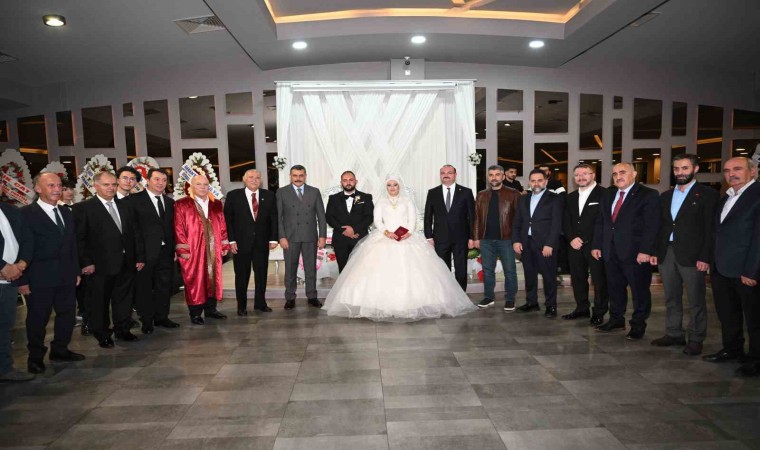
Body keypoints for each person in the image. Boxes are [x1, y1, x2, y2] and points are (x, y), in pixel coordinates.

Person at [324, 174, 477, 321]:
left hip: (407, 238)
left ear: (399, 186)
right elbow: (377, 220)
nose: (392, 188)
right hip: (385, 237)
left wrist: (408, 232)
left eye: (395, 185)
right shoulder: (381, 201)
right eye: (389, 185)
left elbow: (412, 219)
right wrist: (386, 232)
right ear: (386, 187)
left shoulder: (407, 201)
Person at [650, 154, 718, 356]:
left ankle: (696, 338)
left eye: (685, 168)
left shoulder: (707, 194)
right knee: (671, 296)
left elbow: (710, 229)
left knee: (696, 300)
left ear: (695, 169)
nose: (680, 172)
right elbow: (660, 226)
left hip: (693, 255)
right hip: (667, 253)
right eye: (676, 169)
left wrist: (705, 257)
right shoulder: (666, 196)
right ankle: (674, 333)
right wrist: (655, 251)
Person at [19, 173, 84, 374]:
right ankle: (35, 357)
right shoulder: (26, 214)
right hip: (38, 278)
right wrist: (22, 280)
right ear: (38, 189)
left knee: (67, 315)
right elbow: (20, 248)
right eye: (51, 185)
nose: (57, 189)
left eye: (59, 185)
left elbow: (72, 245)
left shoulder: (66, 212)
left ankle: (60, 350)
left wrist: (76, 271)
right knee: (38, 319)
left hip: (66, 275)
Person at [74, 171, 145, 348]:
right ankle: (103, 334)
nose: (111, 188)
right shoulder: (84, 208)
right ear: (96, 186)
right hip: (100, 265)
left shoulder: (125, 205)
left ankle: (123, 329)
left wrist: (139, 256)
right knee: (100, 302)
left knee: (124, 299)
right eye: (106, 185)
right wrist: (86, 262)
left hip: (127, 262)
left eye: (114, 184)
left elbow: (135, 233)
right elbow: (80, 239)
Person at [703, 157, 760, 377]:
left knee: (754, 319)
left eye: (737, 169)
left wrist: (752, 271)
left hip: (746, 270)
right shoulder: (726, 197)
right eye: (727, 170)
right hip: (721, 268)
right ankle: (732, 349)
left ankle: (756, 360)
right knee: (727, 314)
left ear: (752, 171)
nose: (731, 174)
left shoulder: (756, 195)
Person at [592, 163, 660, 340]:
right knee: (614, 288)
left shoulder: (648, 195)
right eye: (615, 174)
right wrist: (597, 245)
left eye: (622, 172)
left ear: (634, 174)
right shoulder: (608, 194)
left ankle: (638, 325)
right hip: (610, 251)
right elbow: (601, 221)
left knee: (639, 291)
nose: (618, 177)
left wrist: (646, 250)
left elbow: (652, 226)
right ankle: (616, 320)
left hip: (636, 253)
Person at [125, 168, 180, 334]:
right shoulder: (134, 200)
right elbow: (132, 230)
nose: (160, 183)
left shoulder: (170, 202)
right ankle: (147, 320)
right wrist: (138, 255)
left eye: (164, 180)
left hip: (166, 252)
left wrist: (175, 248)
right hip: (144, 254)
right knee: (144, 288)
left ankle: (162, 317)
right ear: (147, 180)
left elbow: (172, 228)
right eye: (156, 179)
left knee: (165, 286)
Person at [174, 175, 230, 324]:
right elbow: (179, 227)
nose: (202, 187)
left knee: (212, 278)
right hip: (193, 248)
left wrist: (224, 244)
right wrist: (183, 249)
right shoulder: (182, 204)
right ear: (191, 186)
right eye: (199, 184)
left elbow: (222, 225)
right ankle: (195, 313)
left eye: (205, 184)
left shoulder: (216, 204)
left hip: (213, 248)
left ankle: (211, 310)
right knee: (194, 279)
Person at [224, 169, 278, 315]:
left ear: (261, 180)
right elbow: (228, 220)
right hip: (241, 244)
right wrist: (231, 240)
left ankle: (260, 303)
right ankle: (241, 306)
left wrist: (274, 238)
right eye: (251, 177)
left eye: (257, 177)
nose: (254, 180)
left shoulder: (269, 195)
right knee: (242, 276)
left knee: (261, 274)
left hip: (262, 243)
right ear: (244, 179)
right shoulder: (233, 196)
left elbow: (273, 218)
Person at [512, 169, 563, 317]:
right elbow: (517, 222)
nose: (536, 183)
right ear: (529, 182)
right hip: (526, 243)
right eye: (533, 181)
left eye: (539, 180)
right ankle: (531, 303)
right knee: (529, 275)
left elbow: (557, 224)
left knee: (549, 276)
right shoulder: (523, 199)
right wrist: (516, 240)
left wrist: (550, 244)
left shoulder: (555, 199)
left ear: (545, 181)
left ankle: (551, 306)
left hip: (545, 245)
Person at [562, 163, 608, 325]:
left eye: (584, 174)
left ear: (593, 175)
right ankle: (582, 309)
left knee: (599, 280)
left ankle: (599, 312)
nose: (580, 177)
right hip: (575, 245)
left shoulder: (605, 194)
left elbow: (606, 222)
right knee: (577, 278)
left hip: (596, 246)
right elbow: (566, 221)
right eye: (577, 175)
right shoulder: (570, 197)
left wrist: (597, 243)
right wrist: (571, 238)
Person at [276, 165, 326, 309]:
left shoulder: (314, 191)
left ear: (305, 176)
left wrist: (322, 235)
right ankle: (290, 297)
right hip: (290, 237)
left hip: (310, 235)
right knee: (290, 269)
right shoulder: (282, 192)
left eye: (301, 175)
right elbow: (278, 217)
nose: (298, 178)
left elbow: (321, 216)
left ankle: (312, 296)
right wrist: (281, 236)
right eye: (295, 175)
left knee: (311, 268)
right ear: (290, 176)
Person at [472, 165, 521, 311]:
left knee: (509, 271)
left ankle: (510, 299)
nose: (494, 177)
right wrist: (476, 237)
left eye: (497, 174)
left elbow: (519, 218)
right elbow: (476, 218)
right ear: (488, 177)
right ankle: (489, 297)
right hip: (486, 240)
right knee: (487, 270)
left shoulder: (513, 194)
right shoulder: (481, 195)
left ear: (503, 176)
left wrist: (517, 239)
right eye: (491, 175)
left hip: (507, 239)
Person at [423, 165, 475, 291]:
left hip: (461, 238)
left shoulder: (466, 192)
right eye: (443, 173)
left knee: (461, 269)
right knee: (442, 269)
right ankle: (446, 294)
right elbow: (428, 216)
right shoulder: (433, 192)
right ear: (440, 175)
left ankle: (461, 295)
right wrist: (429, 236)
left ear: (455, 175)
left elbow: (472, 216)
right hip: (440, 238)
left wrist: (472, 237)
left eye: (449, 172)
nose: (446, 175)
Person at [0, 200, 34, 382]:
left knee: (5, 325)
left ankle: (5, 368)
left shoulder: (11, 210)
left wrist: (22, 264)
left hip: (10, 279)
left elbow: (27, 238)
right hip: (6, 272)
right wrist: (3, 266)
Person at [326, 171, 374, 272]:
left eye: (351, 180)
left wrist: (354, 229)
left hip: (359, 239)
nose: (348, 182)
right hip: (340, 240)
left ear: (356, 181)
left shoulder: (366, 197)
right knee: (343, 270)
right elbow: (329, 218)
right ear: (341, 183)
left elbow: (369, 217)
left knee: (360, 271)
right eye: (345, 180)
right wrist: (343, 230)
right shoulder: (333, 198)